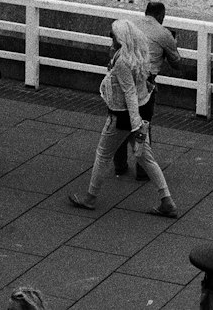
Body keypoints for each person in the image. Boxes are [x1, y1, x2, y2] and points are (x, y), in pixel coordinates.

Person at [69, 18, 178, 218]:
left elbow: (129, 93)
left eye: (112, 35)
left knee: (103, 155)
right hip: (141, 112)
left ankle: (90, 198)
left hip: (122, 117)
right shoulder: (139, 55)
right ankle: (167, 200)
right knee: (146, 157)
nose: (110, 37)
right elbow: (139, 89)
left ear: (120, 38)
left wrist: (135, 125)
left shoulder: (122, 61)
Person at [113, 1, 181, 178]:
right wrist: (174, 43)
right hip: (145, 82)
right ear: (160, 16)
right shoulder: (164, 33)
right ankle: (143, 170)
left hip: (123, 76)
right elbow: (177, 63)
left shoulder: (130, 25)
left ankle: (119, 165)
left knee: (121, 120)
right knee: (143, 124)